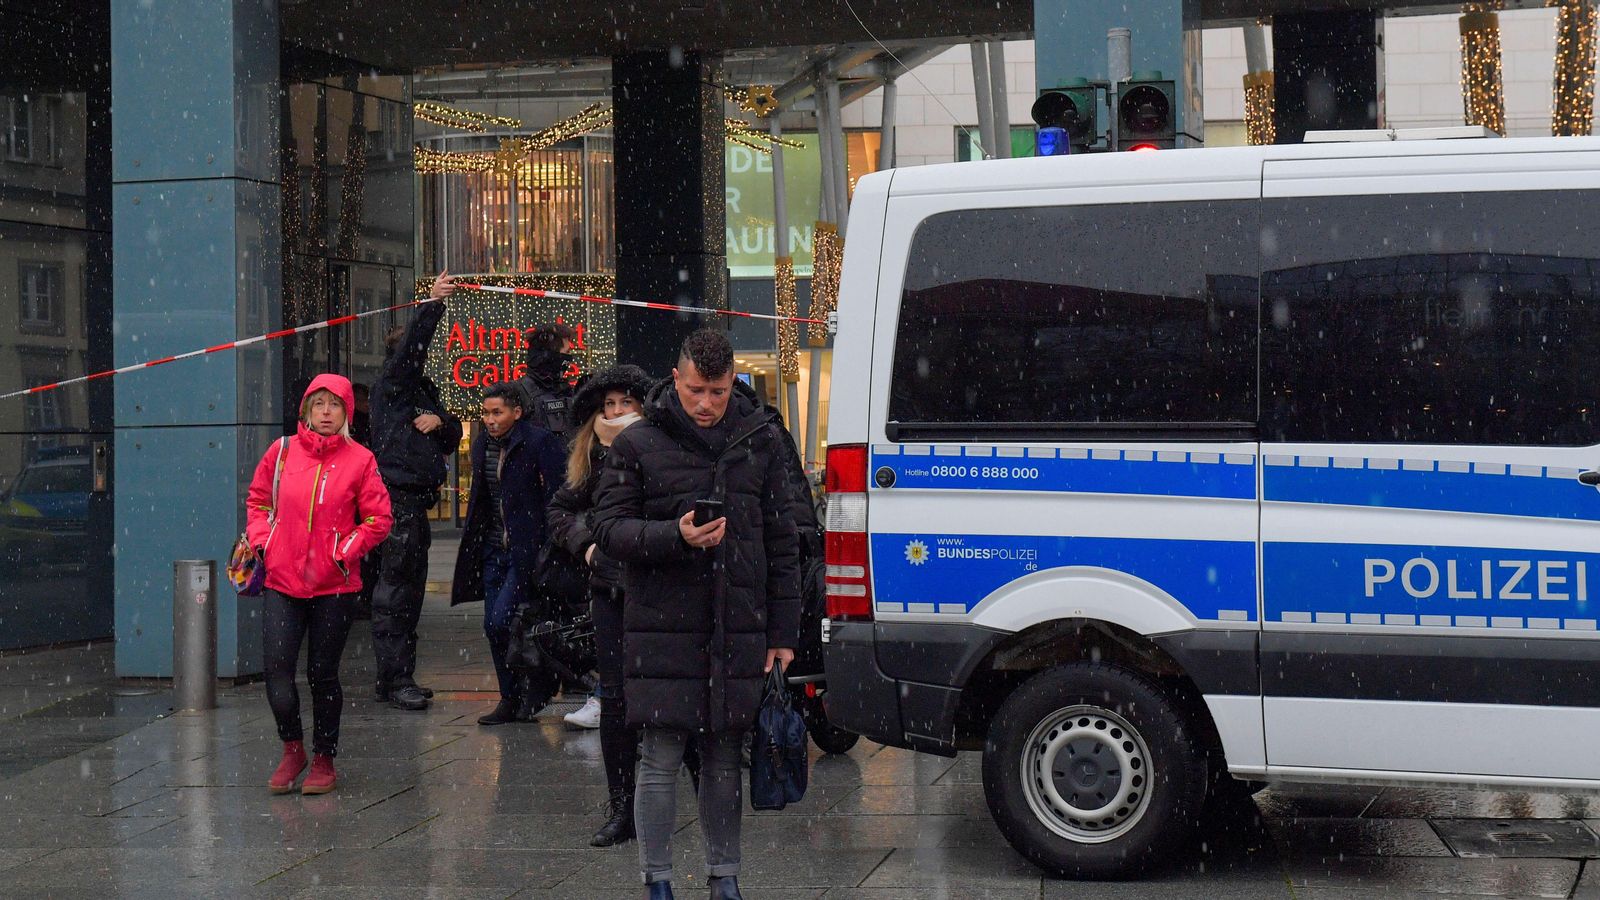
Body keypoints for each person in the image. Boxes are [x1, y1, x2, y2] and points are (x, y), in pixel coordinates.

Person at [592, 328, 801, 900]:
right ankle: (657, 881)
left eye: (716, 390)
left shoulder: (761, 439)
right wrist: (674, 536)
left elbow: (785, 544)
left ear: (733, 381)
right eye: (694, 390)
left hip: (738, 623)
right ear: (675, 380)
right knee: (659, 756)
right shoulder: (637, 444)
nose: (706, 404)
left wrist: (784, 632)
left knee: (724, 757)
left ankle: (725, 879)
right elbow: (609, 529)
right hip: (661, 624)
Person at [246, 374, 392, 795]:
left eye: (335, 406)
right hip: (282, 581)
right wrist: (263, 540)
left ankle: (324, 758)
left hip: (335, 588)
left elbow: (378, 520)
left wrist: (345, 549)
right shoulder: (282, 451)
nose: (326, 413)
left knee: (323, 675)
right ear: (306, 410)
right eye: (319, 404)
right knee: (277, 674)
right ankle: (292, 749)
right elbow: (258, 501)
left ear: (347, 413)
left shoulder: (361, 460)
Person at [546, 364, 654, 846]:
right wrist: (587, 546)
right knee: (615, 699)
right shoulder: (590, 458)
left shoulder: (659, 447)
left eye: (624, 403)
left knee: (667, 698)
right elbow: (560, 510)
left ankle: (677, 800)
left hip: (658, 590)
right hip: (610, 589)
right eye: (608, 406)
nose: (615, 413)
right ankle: (623, 808)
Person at [369, 272, 464, 711]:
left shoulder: (421, 394)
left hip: (414, 505)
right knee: (396, 594)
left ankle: (398, 675)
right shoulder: (395, 386)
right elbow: (410, 354)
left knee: (409, 593)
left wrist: (442, 422)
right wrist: (432, 306)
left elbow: (451, 432)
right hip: (397, 503)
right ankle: (394, 678)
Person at [451, 382, 566, 726]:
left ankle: (534, 688)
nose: (489, 419)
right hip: (491, 548)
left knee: (500, 621)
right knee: (498, 627)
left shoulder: (538, 441)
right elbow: (484, 497)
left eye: (496, 412)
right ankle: (511, 697)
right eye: (485, 413)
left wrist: (547, 542)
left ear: (517, 412)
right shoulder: (484, 443)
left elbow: (558, 494)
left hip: (524, 550)